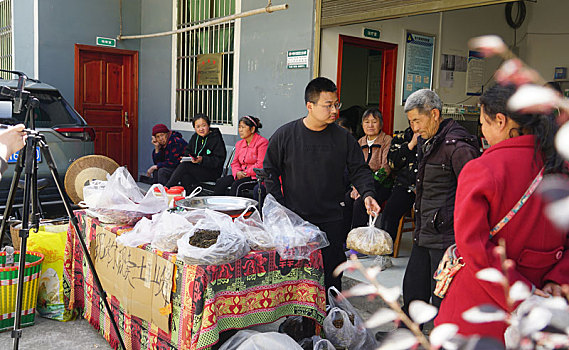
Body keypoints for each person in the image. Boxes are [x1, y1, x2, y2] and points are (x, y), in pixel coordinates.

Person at [435, 84, 569, 343]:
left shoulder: (482, 169)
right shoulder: (560, 168)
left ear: (501, 120)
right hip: (545, 304)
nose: (482, 131)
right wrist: (558, 278)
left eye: (483, 122)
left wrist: (520, 294)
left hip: (483, 307)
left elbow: (473, 245)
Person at [263, 77, 381, 293]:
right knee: (296, 274)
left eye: (337, 104)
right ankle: (298, 319)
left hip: (333, 217)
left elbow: (359, 170)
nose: (334, 110)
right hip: (297, 219)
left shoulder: (343, 138)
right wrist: (280, 206)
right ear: (310, 105)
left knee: (332, 272)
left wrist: (367, 193)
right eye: (328, 105)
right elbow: (269, 171)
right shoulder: (286, 135)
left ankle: (331, 316)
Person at [401, 89, 480, 318]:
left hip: (446, 235)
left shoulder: (458, 146)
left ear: (434, 114)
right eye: (411, 122)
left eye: (417, 120)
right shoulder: (429, 140)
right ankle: (408, 335)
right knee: (414, 288)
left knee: (441, 297)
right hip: (424, 229)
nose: (414, 128)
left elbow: (474, 194)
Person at [342, 108, 392, 260]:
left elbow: (386, 168)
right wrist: (355, 187)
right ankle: (347, 239)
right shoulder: (360, 142)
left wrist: (366, 188)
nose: (370, 125)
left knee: (359, 203)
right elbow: (353, 168)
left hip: (381, 184)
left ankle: (360, 245)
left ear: (381, 124)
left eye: (374, 122)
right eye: (366, 122)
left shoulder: (386, 140)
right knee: (346, 200)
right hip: (361, 184)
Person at [374, 126, 419, 269]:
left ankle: (421, 257)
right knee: (389, 213)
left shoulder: (435, 136)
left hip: (427, 186)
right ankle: (384, 255)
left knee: (424, 216)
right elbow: (393, 163)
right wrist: (411, 144)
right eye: (412, 121)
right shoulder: (401, 137)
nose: (416, 124)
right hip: (405, 185)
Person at [166, 114, 226, 192]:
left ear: (208, 125)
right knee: (185, 176)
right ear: (194, 128)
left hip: (212, 172)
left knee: (185, 166)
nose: (201, 129)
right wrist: (187, 158)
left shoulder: (216, 138)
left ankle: (167, 188)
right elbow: (188, 151)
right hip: (197, 169)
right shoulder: (195, 137)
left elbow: (219, 160)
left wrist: (202, 160)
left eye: (203, 125)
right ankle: (188, 198)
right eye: (198, 127)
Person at [214, 116, 268, 196]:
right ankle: (218, 207)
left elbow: (260, 164)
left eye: (243, 127)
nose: (240, 130)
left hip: (255, 177)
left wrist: (245, 173)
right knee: (220, 182)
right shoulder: (239, 144)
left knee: (237, 185)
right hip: (239, 175)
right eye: (239, 127)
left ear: (252, 129)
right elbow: (235, 163)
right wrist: (237, 172)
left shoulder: (262, 143)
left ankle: (235, 208)